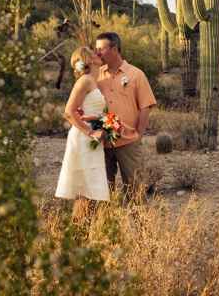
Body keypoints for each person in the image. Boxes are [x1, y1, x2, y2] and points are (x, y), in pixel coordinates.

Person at [95, 31, 156, 202]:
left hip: (128, 143)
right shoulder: (96, 75)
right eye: (96, 48)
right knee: (105, 194)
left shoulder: (136, 75)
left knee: (135, 192)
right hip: (102, 144)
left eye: (101, 48)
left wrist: (139, 136)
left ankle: (144, 228)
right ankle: (109, 228)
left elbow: (145, 107)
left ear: (114, 49)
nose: (97, 52)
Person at [55, 47, 110, 211]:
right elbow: (68, 112)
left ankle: (82, 234)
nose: (98, 53)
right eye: (94, 52)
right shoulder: (85, 80)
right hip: (85, 137)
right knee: (86, 193)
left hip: (93, 137)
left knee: (89, 193)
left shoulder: (93, 81)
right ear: (89, 60)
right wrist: (92, 132)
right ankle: (77, 234)